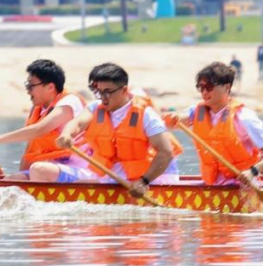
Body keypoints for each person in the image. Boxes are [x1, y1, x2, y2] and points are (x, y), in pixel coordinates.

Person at [56, 63, 177, 198]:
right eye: (99, 92)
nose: (103, 97)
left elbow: (165, 152)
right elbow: (77, 123)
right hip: (109, 179)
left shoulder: (146, 115)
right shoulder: (95, 108)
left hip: (143, 181)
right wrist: (66, 134)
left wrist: (144, 181)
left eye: (107, 92)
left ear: (124, 90)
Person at [164, 61, 263, 186]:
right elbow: (172, 123)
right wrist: (172, 118)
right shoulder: (197, 112)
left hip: (242, 185)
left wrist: (253, 171)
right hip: (211, 184)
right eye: (201, 87)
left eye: (209, 87)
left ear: (227, 87)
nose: (204, 92)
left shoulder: (244, 117)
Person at [0, 59, 86, 182]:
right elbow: (31, 149)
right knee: (15, 179)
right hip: (53, 169)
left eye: (31, 86)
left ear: (50, 87)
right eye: (27, 85)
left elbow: (38, 130)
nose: (28, 90)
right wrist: (19, 178)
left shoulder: (69, 102)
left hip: (81, 169)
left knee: (38, 169)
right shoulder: (37, 109)